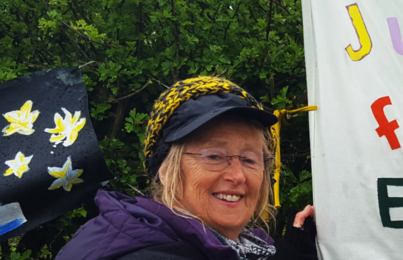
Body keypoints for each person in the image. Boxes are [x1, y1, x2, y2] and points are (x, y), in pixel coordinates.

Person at [56, 76, 317, 260]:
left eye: (250, 159)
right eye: (214, 156)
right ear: (166, 170)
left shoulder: (245, 248)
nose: (237, 175)